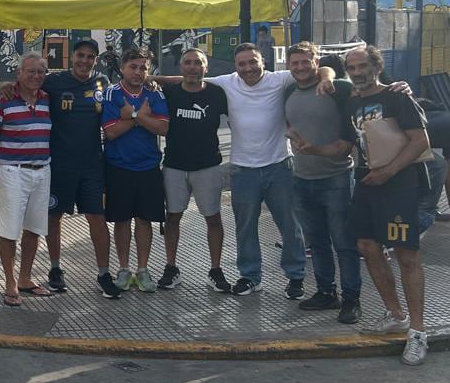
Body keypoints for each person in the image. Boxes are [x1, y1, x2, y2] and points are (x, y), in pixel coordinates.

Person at [156, 43, 322, 297]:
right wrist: (148, 78)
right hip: (243, 169)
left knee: (290, 225)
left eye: (253, 62)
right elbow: (187, 78)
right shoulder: (227, 83)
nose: (248, 68)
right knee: (245, 227)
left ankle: (295, 277)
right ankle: (250, 277)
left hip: (279, 165)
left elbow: (319, 70)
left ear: (263, 61)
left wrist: (327, 77)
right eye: (242, 64)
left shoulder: (279, 79)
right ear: (235, 67)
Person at [0, 39, 121, 298]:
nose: (84, 61)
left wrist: (153, 82)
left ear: (96, 60)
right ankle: (55, 269)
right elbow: (26, 83)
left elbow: (130, 85)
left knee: (97, 218)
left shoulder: (102, 83)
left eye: (90, 57)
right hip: (59, 165)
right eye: (80, 55)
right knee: (54, 218)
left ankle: (103, 273)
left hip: (92, 165)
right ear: (72, 57)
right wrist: (8, 85)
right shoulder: (53, 82)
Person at [343, 45, 432, 366]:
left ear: (376, 67)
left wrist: (388, 172)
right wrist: (310, 148)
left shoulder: (397, 96)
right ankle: (396, 315)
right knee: (367, 246)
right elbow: (345, 144)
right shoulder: (351, 102)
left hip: (399, 186)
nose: (357, 72)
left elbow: (421, 141)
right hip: (367, 183)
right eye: (351, 68)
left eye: (362, 66)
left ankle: (418, 332)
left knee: (407, 255)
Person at [283, 42, 362, 324]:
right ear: (288, 65)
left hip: (336, 178)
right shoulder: (288, 91)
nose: (300, 67)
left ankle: (351, 299)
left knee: (344, 243)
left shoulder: (336, 87)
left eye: (306, 61)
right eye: (295, 63)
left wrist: (401, 88)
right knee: (316, 243)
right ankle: (326, 292)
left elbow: (368, 93)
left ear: (317, 62)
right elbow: (290, 123)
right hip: (302, 178)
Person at [0, 53, 54, 307]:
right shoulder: (3, 100)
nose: (36, 76)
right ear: (19, 73)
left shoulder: (47, 99)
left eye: (40, 72)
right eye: (30, 71)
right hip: (14, 172)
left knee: (33, 229)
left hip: (42, 171)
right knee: (10, 231)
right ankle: (10, 283)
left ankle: (25, 278)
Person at [159, 48, 231, 292]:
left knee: (213, 218)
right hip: (175, 166)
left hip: (207, 166)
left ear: (205, 68)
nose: (192, 67)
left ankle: (216, 270)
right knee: (172, 217)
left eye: (197, 63)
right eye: (187, 63)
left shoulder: (217, 93)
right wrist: (149, 78)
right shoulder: (169, 94)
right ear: (180, 67)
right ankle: (171, 267)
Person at [102, 48, 169, 292]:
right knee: (121, 220)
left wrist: (130, 116)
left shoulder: (155, 93)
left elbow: (162, 128)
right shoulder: (111, 93)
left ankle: (142, 269)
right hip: (118, 166)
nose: (138, 72)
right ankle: (123, 268)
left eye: (143, 68)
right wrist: (141, 117)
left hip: (148, 166)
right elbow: (111, 132)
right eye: (133, 67)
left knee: (144, 219)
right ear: (122, 68)